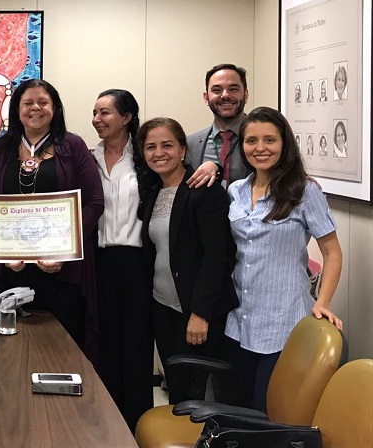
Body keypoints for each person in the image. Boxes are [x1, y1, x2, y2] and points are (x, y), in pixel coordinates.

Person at [0, 80, 104, 363]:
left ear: (54, 108)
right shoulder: (1, 149)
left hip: (61, 271)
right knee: (9, 354)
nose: (35, 108)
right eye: (27, 103)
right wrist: (1, 252)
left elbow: (94, 203)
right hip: (11, 270)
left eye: (43, 102)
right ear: (17, 110)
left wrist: (65, 251)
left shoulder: (73, 146)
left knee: (61, 352)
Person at [224, 106, 343, 412]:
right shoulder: (235, 191)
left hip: (283, 325)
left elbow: (332, 252)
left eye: (269, 140)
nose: (260, 148)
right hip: (239, 322)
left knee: (269, 416)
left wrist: (323, 302)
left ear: (284, 144)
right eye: (251, 141)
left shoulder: (303, 191)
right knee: (237, 413)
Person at [137, 117, 237, 404]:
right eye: (151, 147)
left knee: (196, 394)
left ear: (183, 150)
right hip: (163, 306)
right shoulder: (154, 192)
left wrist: (200, 313)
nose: (159, 153)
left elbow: (218, 257)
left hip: (194, 312)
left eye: (167, 145)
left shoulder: (205, 191)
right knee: (176, 389)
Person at [88, 88, 153, 431]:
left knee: (137, 346)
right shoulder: (87, 157)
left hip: (137, 263)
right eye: (95, 113)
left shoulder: (145, 157)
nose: (97, 119)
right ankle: (107, 426)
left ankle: (138, 427)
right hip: (99, 261)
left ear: (127, 117)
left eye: (105, 113)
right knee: (105, 344)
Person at [187, 64, 253, 188]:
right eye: (217, 90)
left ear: (245, 95)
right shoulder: (190, 144)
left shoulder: (265, 140)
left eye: (233, 89)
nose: (225, 95)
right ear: (206, 98)